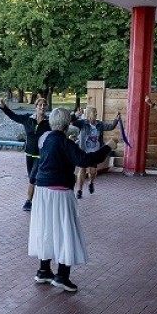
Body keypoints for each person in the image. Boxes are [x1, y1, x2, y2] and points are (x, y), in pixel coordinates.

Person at [29, 108, 117, 292]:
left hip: (42, 191)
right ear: (67, 125)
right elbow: (84, 160)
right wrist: (108, 147)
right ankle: (62, 276)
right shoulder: (65, 143)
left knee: (46, 229)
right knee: (65, 231)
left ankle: (44, 270)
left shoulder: (44, 138)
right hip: (60, 193)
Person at [0, 97, 50, 211]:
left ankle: (28, 201)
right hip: (29, 153)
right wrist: (3, 107)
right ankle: (38, 196)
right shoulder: (28, 118)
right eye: (39, 105)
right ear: (35, 107)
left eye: (44, 105)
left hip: (41, 154)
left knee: (32, 178)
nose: (42, 107)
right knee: (31, 177)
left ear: (46, 107)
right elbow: (14, 116)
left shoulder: (49, 122)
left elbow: (60, 125)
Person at [71, 106, 120, 199]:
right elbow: (72, 121)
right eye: (94, 113)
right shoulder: (82, 123)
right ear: (89, 114)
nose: (96, 114)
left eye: (96, 112)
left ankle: (91, 182)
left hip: (95, 153)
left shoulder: (100, 124)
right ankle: (79, 190)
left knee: (92, 172)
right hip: (84, 152)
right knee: (82, 170)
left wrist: (116, 119)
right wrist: (75, 114)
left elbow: (111, 127)